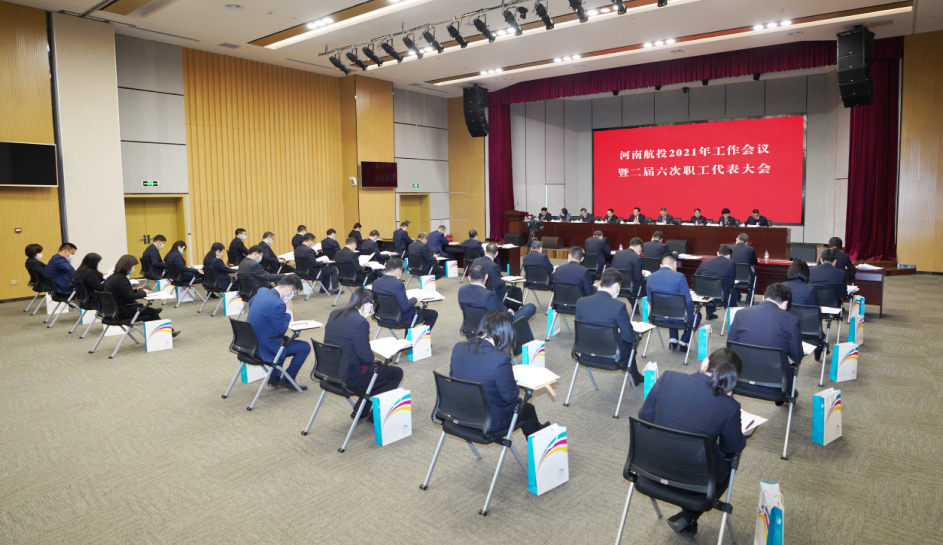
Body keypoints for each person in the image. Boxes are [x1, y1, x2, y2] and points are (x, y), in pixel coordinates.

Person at [638, 348, 746, 540]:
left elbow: (645, 417)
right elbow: (731, 448)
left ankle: (688, 517)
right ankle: (689, 514)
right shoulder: (729, 406)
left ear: (705, 363)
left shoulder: (668, 378)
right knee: (730, 462)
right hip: (695, 480)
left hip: (650, 467)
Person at [449, 311, 550, 437]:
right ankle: (541, 439)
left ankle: (539, 430)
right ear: (505, 334)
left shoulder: (458, 347)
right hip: (488, 422)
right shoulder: (500, 360)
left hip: (459, 414)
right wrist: (512, 381)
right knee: (528, 410)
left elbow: (453, 378)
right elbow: (510, 397)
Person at [324, 288, 403, 421]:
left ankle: (360, 410)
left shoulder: (335, 313)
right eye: (372, 308)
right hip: (350, 376)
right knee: (396, 373)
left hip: (330, 370)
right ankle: (374, 416)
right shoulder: (360, 322)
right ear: (368, 304)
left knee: (377, 370)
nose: (372, 311)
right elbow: (367, 358)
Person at [728, 283, 802, 399]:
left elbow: (730, 347)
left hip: (741, 378)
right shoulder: (791, 320)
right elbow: (796, 357)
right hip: (776, 384)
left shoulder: (740, 314)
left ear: (763, 297)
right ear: (785, 303)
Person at [575, 269, 642, 385]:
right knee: (632, 341)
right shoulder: (618, 306)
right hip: (612, 356)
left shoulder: (581, 302)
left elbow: (580, 328)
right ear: (616, 286)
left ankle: (636, 376)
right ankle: (635, 376)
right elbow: (629, 337)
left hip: (586, 352)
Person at [247, 275, 308, 391]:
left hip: (249, 343)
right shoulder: (278, 304)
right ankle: (287, 380)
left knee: (283, 340)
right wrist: (288, 311)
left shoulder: (262, 291)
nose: (293, 296)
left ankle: (274, 379)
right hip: (264, 347)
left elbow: (251, 303)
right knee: (304, 347)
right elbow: (282, 329)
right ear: (289, 289)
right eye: (294, 293)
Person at [459, 264, 536, 342]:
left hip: (471, 331)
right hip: (492, 331)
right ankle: (531, 346)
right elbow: (503, 316)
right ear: (486, 277)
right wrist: (510, 313)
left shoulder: (462, 291)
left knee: (522, 321)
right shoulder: (488, 295)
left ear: (469, 277)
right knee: (530, 308)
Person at [103, 255, 177, 332]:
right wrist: (143, 292)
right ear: (127, 267)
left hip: (112, 311)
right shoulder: (121, 279)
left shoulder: (113, 277)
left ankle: (156, 322)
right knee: (151, 312)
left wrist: (137, 291)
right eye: (133, 267)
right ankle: (168, 332)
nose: (134, 270)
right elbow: (130, 296)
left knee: (149, 312)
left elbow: (124, 293)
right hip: (121, 312)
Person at [646, 254, 701, 351]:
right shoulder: (680, 276)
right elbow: (687, 300)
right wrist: (693, 309)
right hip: (679, 318)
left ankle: (673, 341)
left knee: (671, 308)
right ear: (675, 264)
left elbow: (650, 300)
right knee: (697, 315)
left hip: (658, 317)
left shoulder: (650, 277)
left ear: (661, 265)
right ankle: (683, 343)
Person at [372, 258, 438, 329]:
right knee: (433, 314)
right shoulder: (398, 284)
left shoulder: (375, 283)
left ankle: (411, 333)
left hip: (383, 317)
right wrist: (415, 299)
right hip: (400, 318)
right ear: (398, 270)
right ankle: (415, 335)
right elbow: (405, 307)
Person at [473, 244, 522, 310]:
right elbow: (498, 284)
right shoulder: (494, 266)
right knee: (517, 290)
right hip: (493, 292)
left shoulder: (475, 261)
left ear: (485, 251)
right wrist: (504, 280)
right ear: (496, 253)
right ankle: (515, 311)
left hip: (478, 290)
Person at [694, 245, 737, 320]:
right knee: (732, 291)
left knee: (709, 286)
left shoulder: (705, 262)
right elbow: (730, 283)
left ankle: (709, 314)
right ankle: (734, 317)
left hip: (704, 295)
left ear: (717, 253)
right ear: (729, 255)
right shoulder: (731, 263)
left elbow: (695, 277)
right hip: (721, 296)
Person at [552, 247, 597, 311]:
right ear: (582, 259)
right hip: (578, 305)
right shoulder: (584, 271)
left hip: (559, 304)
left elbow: (553, 287)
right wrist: (595, 287)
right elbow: (589, 292)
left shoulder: (558, 269)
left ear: (569, 256)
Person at [730, 233, 758, 303]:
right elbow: (755, 261)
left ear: (737, 239)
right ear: (746, 242)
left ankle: (737, 297)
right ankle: (749, 300)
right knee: (755, 280)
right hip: (746, 278)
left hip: (733, 277)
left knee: (735, 278)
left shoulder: (730, 248)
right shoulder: (750, 249)